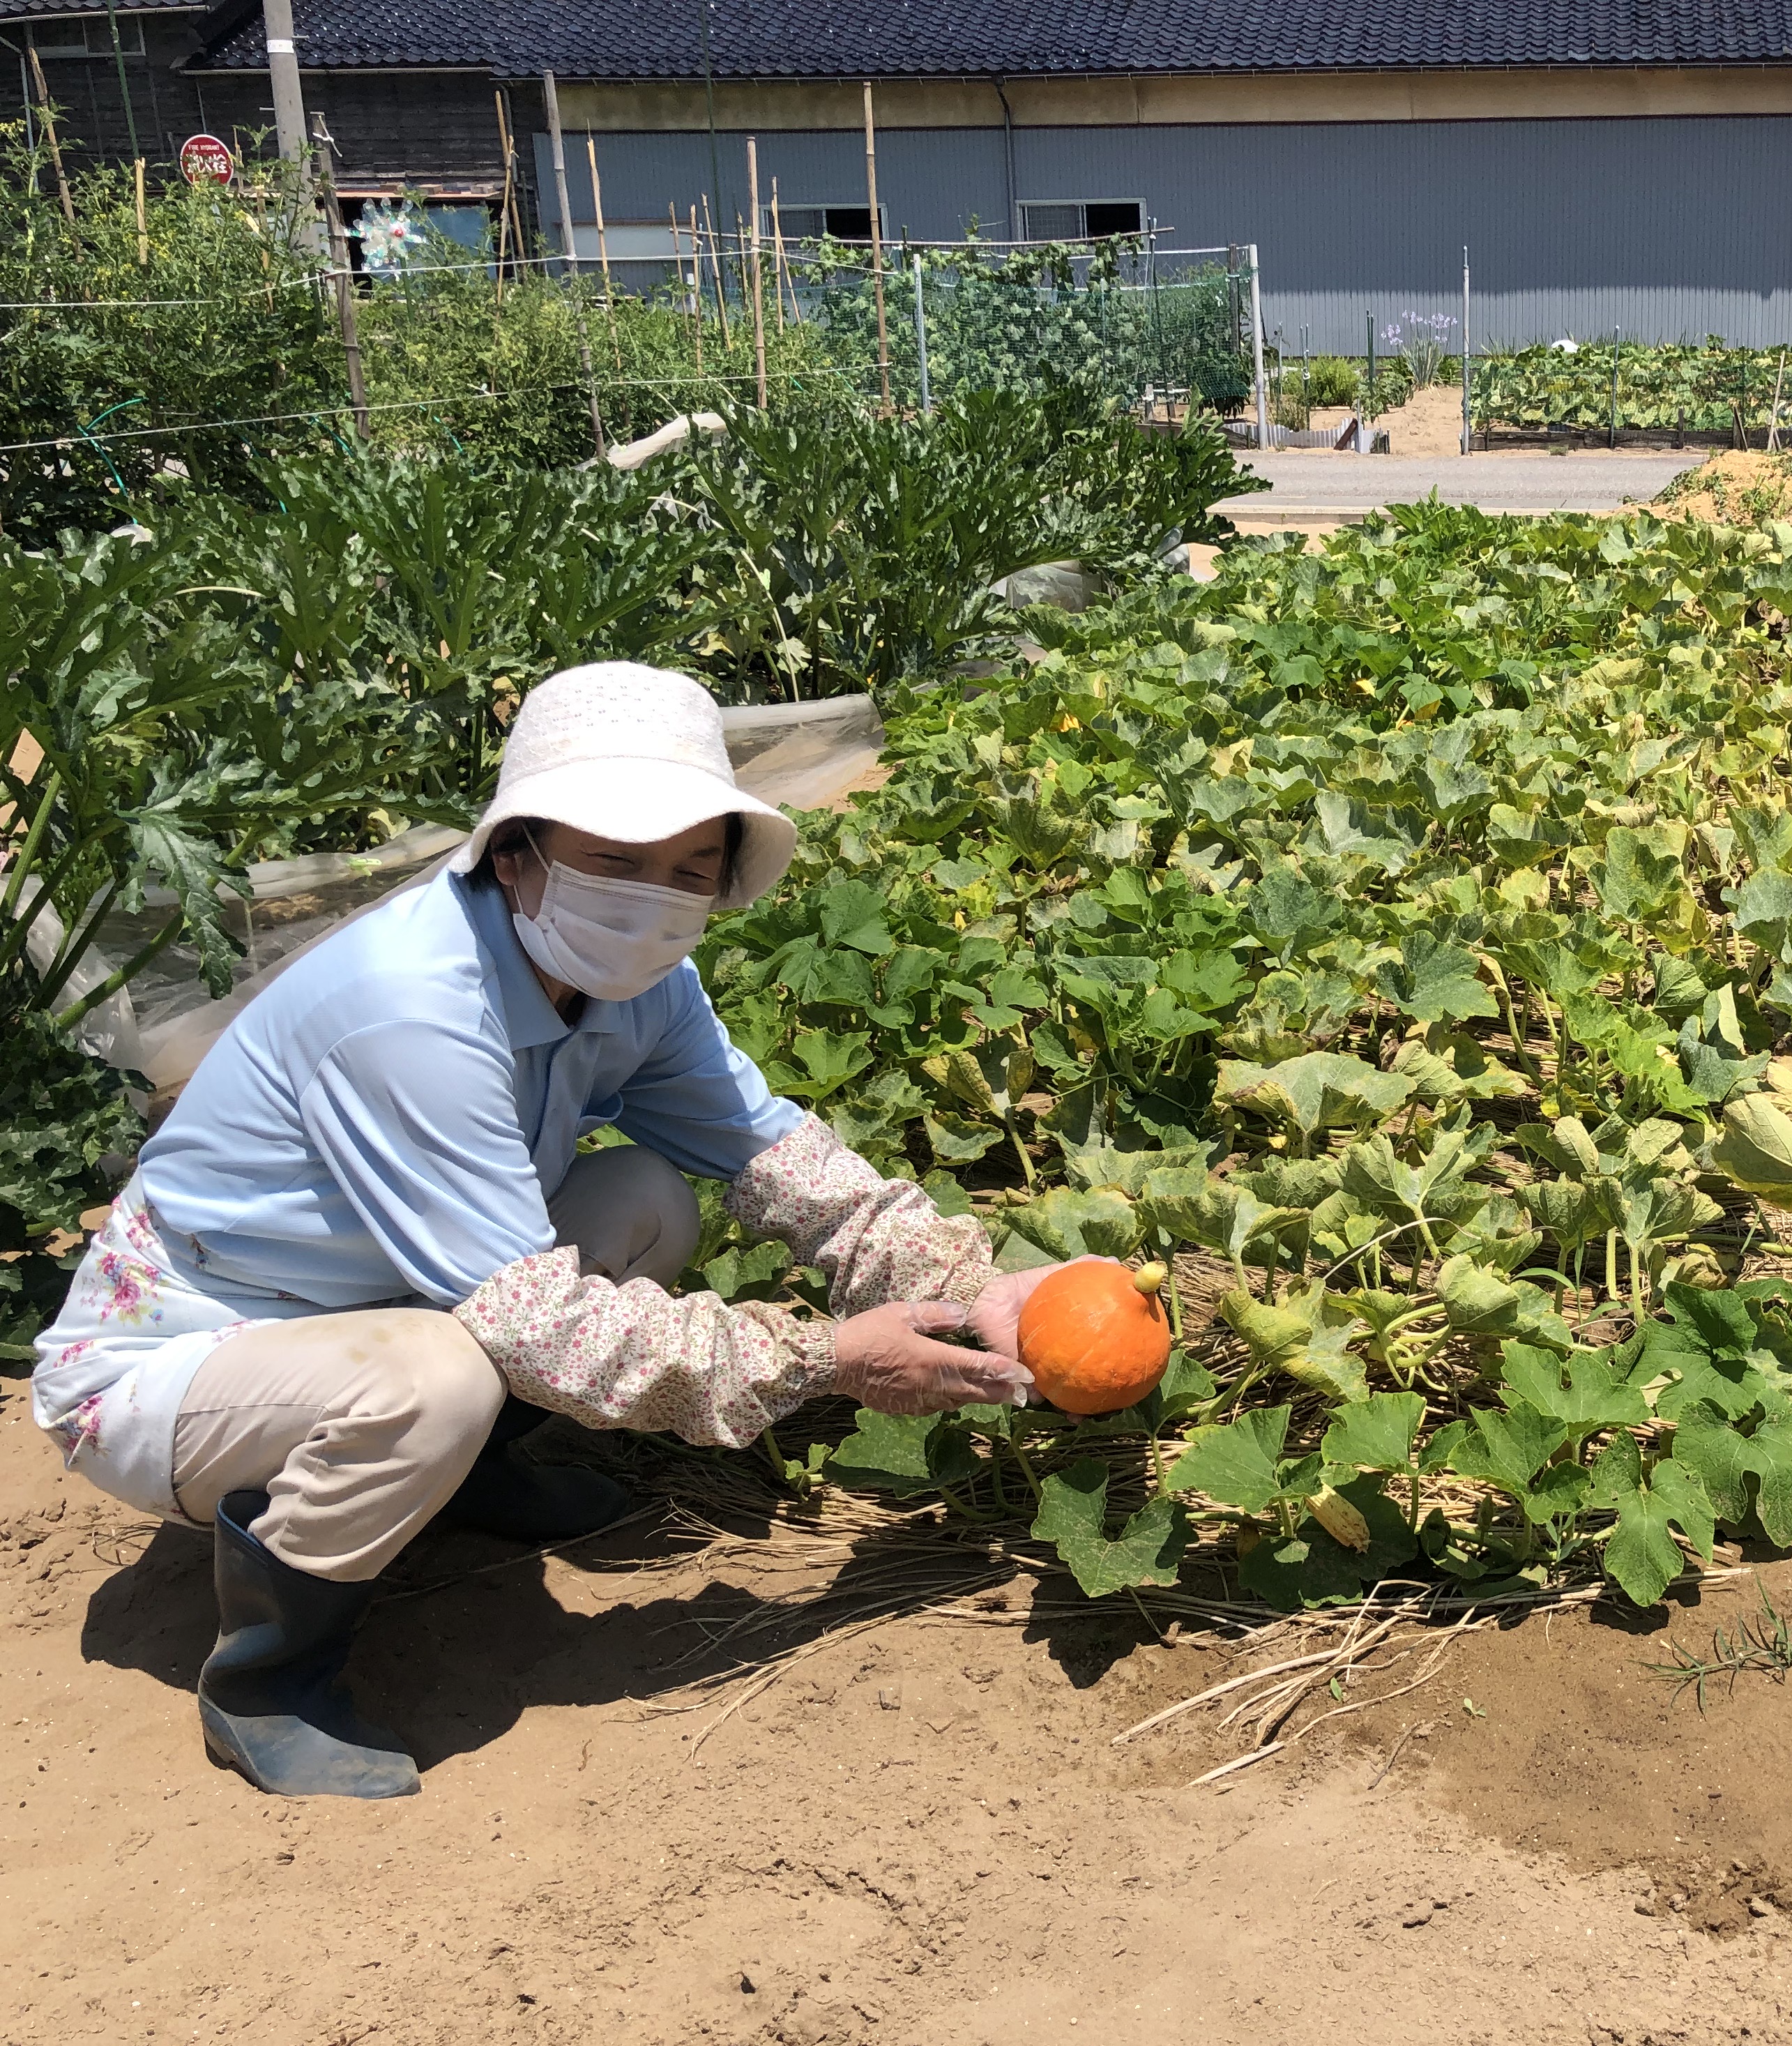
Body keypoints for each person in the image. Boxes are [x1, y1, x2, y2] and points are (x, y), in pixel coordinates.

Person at [31, 664, 1056, 1800]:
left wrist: (980, 1288)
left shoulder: (641, 985)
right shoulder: (409, 1008)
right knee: (434, 1381)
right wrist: (826, 1361)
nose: (650, 898)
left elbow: (777, 1159)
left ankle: (458, 1480)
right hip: (180, 1359)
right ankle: (271, 1675)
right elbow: (539, 1323)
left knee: (646, 1197)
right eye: (614, 859)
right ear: (515, 850)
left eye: (687, 871)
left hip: (374, 1300)